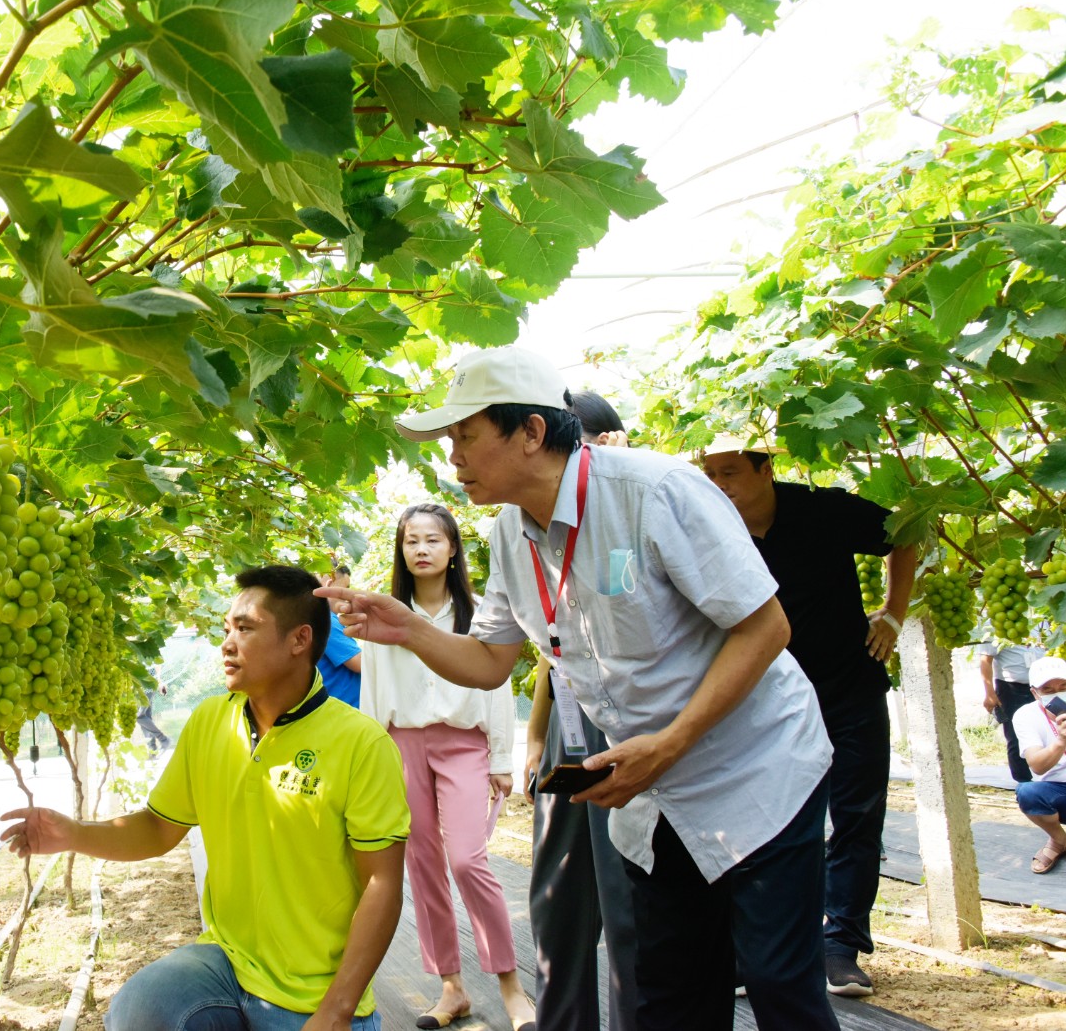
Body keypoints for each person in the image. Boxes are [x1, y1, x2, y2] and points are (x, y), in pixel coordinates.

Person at [318, 345, 836, 1031]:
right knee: (671, 998)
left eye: (466, 436)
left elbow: (765, 627)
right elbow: (490, 661)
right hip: (655, 796)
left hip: (756, 774)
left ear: (531, 432)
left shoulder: (654, 493)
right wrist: (407, 627)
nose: (454, 458)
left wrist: (674, 740)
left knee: (779, 985)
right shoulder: (510, 533)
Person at [0, 566, 410, 1031]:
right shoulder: (210, 721)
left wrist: (336, 1010)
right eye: (227, 628)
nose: (227, 643)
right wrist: (73, 833)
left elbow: (382, 884)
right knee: (140, 1009)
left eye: (246, 628)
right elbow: (157, 828)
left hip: (315, 994)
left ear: (299, 640)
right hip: (227, 965)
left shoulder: (362, 743)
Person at [700, 434, 918, 998]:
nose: (720, 486)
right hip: (765, 702)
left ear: (765, 468)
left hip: (849, 688)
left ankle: (840, 946)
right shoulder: (710, 532)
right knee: (766, 824)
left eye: (731, 472)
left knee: (856, 817)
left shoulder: (822, 508)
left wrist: (894, 613)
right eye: (711, 475)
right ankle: (768, 951)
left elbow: (906, 530)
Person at [357, 504, 526, 1030]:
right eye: (411, 541)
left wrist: (501, 757)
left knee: (469, 860)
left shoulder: (480, 613)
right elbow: (372, 693)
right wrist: (371, 764)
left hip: (465, 745)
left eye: (433, 539)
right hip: (401, 746)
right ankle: (451, 988)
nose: (422, 549)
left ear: (453, 548)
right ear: (401, 551)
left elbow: (495, 688)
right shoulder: (384, 616)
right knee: (423, 865)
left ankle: (512, 986)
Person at [520, 391, 637, 1031]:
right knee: (557, 886)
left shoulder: (637, 507)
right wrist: (536, 738)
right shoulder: (532, 528)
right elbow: (552, 647)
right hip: (572, 718)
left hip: (625, 723)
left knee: (624, 895)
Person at [1011, 656, 1066, 873]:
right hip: (1058, 791)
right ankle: (1060, 841)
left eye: (1063, 686)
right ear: (1035, 693)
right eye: (1048, 689)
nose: (1057, 693)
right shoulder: (1025, 715)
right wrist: (1061, 742)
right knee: (1027, 791)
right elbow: (1037, 766)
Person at [979, 637, 1046, 783]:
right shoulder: (995, 625)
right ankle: (1023, 782)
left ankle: (1052, 779)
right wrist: (989, 693)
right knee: (1015, 736)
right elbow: (986, 660)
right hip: (1011, 688)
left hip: (1043, 687)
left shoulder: (1040, 622)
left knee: (1050, 730)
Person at [318, 562, 364, 706]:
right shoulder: (324, 620)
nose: (347, 597)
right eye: (344, 590)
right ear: (328, 584)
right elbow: (358, 663)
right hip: (347, 709)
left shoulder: (320, 618)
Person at [135, 679, 171, 755]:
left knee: (139, 716)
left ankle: (164, 740)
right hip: (142, 687)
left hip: (147, 687)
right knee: (146, 718)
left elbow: (156, 667)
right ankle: (152, 750)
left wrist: (160, 682)